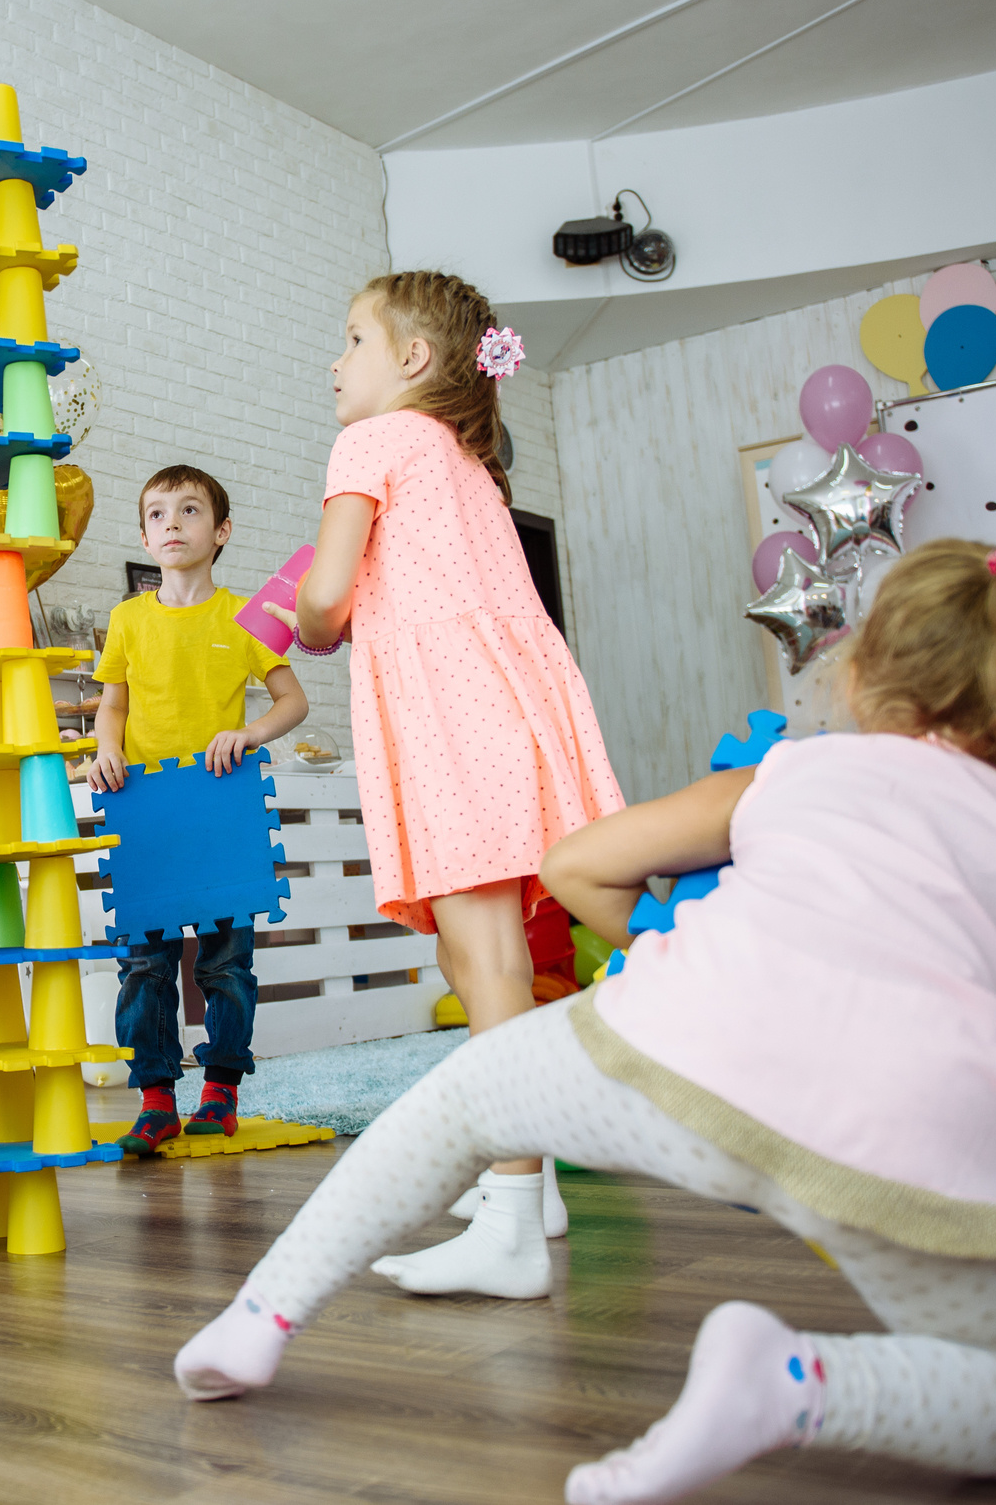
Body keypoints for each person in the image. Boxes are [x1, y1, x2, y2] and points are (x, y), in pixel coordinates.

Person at [176, 541, 996, 1503]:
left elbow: (575, 864)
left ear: (868, 674)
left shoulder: (793, 769)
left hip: (672, 1048)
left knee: (459, 1100)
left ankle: (257, 1318)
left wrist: (670, 947)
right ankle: (792, 1383)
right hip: (906, 1132)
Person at [257, 271, 623, 1296]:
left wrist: (302, 617)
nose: (336, 362)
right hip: (512, 703)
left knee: (485, 956)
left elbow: (326, 598)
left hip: (450, 714)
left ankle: (510, 1222)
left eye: (353, 339)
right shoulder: (469, 463)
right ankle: (533, 1181)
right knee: (486, 952)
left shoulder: (371, 441)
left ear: (413, 358)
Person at [88, 465, 307, 1153]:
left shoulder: (245, 618)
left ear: (221, 531)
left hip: (221, 804)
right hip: (144, 810)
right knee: (144, 966)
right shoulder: (127, 619)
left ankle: (220, 1090)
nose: (172, 524)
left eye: (189, 510)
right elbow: (113, 704)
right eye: (157, 514)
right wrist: (106, 747)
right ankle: (156, 1099)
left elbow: (293, 700)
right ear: (144, 537)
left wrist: (250, 733)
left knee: (225, 966)